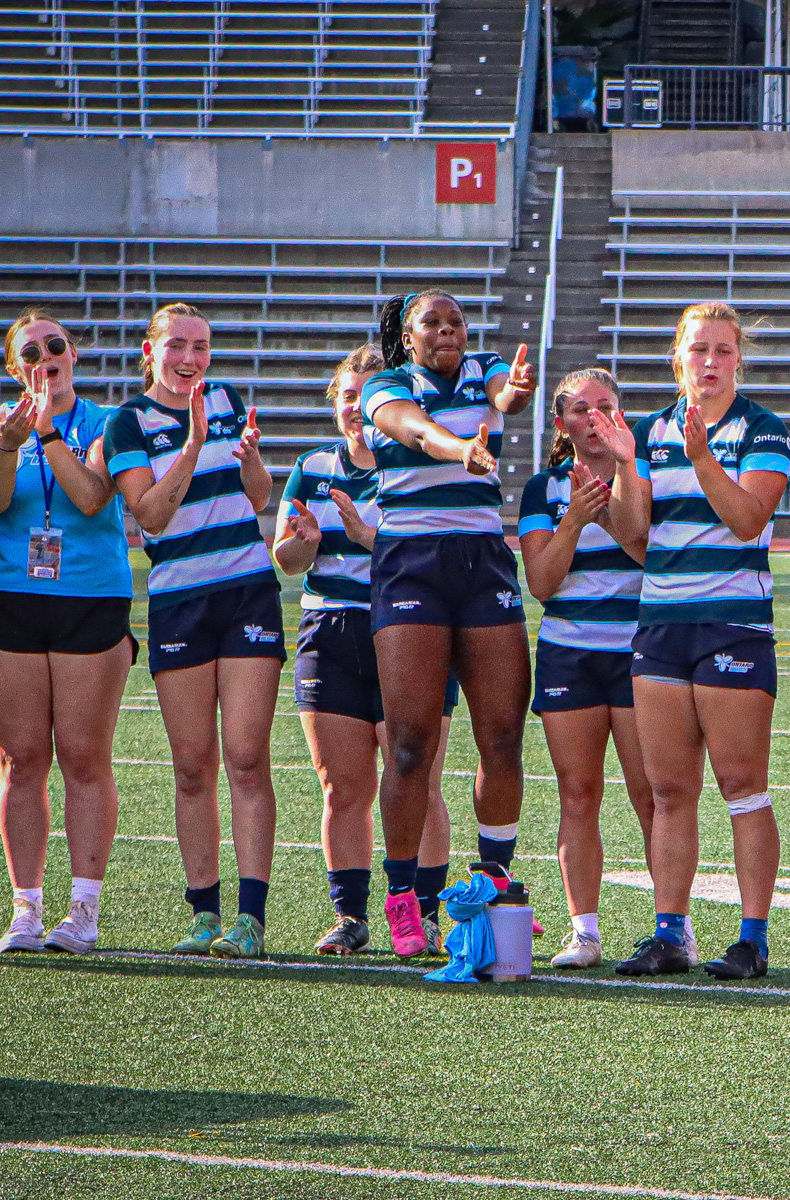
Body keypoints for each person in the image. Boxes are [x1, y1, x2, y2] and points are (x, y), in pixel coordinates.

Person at [602, 302, 790, 981]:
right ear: (676, 358)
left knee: (741, 784)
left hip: (733, 623)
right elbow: (633, 533)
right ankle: (669, 933)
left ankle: (752, 937)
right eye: (698, 350)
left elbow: (747, 519)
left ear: (739, 359)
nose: (710, 362)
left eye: (723, 350)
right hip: (660, 625)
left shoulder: (762, 429)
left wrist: (703, 457)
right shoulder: (650, 430)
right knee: (668, 790)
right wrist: (626, 465)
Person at [103, 303, 283, 959]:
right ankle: (203, 911)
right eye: (177, 344)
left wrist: (251, 456)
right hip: (179, 597)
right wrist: (188, 446)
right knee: (190, 767)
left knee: (244, 755)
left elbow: (255, 497)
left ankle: (250, 919)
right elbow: (148, 511)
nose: (190, 358)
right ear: (149, 350)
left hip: (247, 591)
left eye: (201, 346)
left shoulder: (229, 398)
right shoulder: (127, 421)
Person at [361, 291, 535, 957]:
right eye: (431, 323)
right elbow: (411, 428)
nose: (446, 331)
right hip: (411, 562)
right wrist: (458, 448)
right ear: (407, 338)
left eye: (455, 321)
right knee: (410, 743)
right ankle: (405, 895)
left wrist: (514, 393)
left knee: (502, 735)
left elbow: (508, 395)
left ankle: (494, 881)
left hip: (483, 560)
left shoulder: (484, 365)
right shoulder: (386, 383)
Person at [273, 345, 463, 956]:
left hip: (408, 631)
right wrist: (303, 541)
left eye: (367, 396)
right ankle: (350, 915)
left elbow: (431, 554)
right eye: (347, 396)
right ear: (335, 403)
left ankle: (425, 912)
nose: (357, 408)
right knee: (341, 786)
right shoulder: (312, 466)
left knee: (418, 777)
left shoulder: (413, 467)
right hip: (328, 630)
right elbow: (287, 558)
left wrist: (366, 536)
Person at [0, 311, 133, 955]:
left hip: (90, 596)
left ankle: (84, 909)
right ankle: (25, 907)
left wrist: (48, 434)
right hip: (14, 597)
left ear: (72, 355)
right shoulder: (4, 420)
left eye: (55, 346)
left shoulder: (108, 422)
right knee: (21, 759)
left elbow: (90, 498)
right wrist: (8, 445)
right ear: (14, 366)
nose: (45, 357)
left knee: (84, 757)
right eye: (31, 351)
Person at [518, 368, 652, 969]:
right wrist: (574, 517)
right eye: (580, 409)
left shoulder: (641, 472)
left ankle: (672, 925)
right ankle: (585, 932)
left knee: (654, 795)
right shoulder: (542, 489)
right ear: (561, 423)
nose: (593, 418)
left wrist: (614, 504)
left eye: (605, 407)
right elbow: (543, 584)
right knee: (578, 793)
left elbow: (649, 549)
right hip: (569, 649)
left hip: (638, 651)